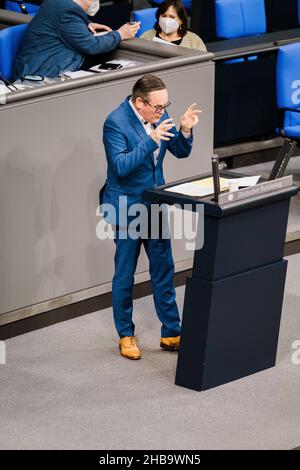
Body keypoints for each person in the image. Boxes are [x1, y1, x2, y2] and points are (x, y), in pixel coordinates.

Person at [100, 74, 201, 360]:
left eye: (165, 105)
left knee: (163, 269)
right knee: (124, 275)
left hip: (155, 204)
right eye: (158, 107)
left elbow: (179, 151)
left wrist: (185, 131)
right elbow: (120, 167)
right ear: (139, 102)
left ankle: (171, 331)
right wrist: (149, 139)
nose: (162, 111)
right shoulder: (115, 122)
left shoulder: (159, 112)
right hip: (126, 208)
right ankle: (125, 335)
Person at [13, 0, 140, 80]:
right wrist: (120, 34)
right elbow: (91, 46)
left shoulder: (60, 3)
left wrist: (85, 24)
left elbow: (62, 24)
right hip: (41, 73)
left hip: (40, 63)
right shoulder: (68, 10)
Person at [141, 0, 206, 51]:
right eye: (164, 16)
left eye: (172, 17)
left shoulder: (194, 41)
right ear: (158, 17)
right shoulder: (146, 37)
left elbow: (205, 65)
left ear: (181, 21)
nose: (167, 20)